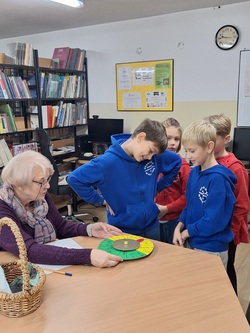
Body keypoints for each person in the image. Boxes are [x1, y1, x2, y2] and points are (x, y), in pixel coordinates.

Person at [0, 151, 123, 268]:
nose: (47, 186)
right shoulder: (2, 210)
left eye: (47, 180)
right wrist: (87, 256)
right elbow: (28, 250)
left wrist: (89, 229)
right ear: (19, 184)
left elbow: (60, 227)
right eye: (41, 182)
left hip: (40, 265)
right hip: (15, 272)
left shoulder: (39, 197)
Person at [68, 118, 182, 240]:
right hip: (121, 230)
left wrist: (157, 188)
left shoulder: (153, 156)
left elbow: (176, 161)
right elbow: (74, 179)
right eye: (150, 151)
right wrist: (100, 200)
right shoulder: (107, 162)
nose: (150, 157)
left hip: (151, 226)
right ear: (140, 137)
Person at [173, 119, 236, 268]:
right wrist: (179, 227)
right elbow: (189, 206)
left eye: (192, 151)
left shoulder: (218, 180)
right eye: (186, 150)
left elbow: (213, 221)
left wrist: (186, 233)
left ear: (209, 147)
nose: (188, 155)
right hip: (192, 241)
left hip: (211, 249)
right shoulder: (194, 172)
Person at [204, 114, 249, 293]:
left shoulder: (236, 168)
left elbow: (242, 205)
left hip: (227, 234)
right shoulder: (206, 162)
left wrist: (230, 233)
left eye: (214, 138)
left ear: (226, 139)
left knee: (226, 269)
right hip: (210, 230)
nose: (209, 143)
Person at [155, 118, 190, 243]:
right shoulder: (150, 163)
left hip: (174, 219)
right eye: (168, 138)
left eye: (176, 139)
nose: (172, 143)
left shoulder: (183, 166)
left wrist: (167, 209)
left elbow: (187, 196)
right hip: (152, 219)